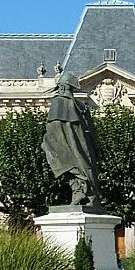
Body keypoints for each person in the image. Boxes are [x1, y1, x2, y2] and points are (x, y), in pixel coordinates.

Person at [42, 71, 103, 208]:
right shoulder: (80, 106)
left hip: (65, 143)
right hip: (83, 145)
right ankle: (88, 193)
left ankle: (80, 190)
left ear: (62, 87)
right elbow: (91, 131)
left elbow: (54, 127)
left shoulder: (58, 102)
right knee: (84, 166)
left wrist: (47, 142)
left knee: (64, 164)